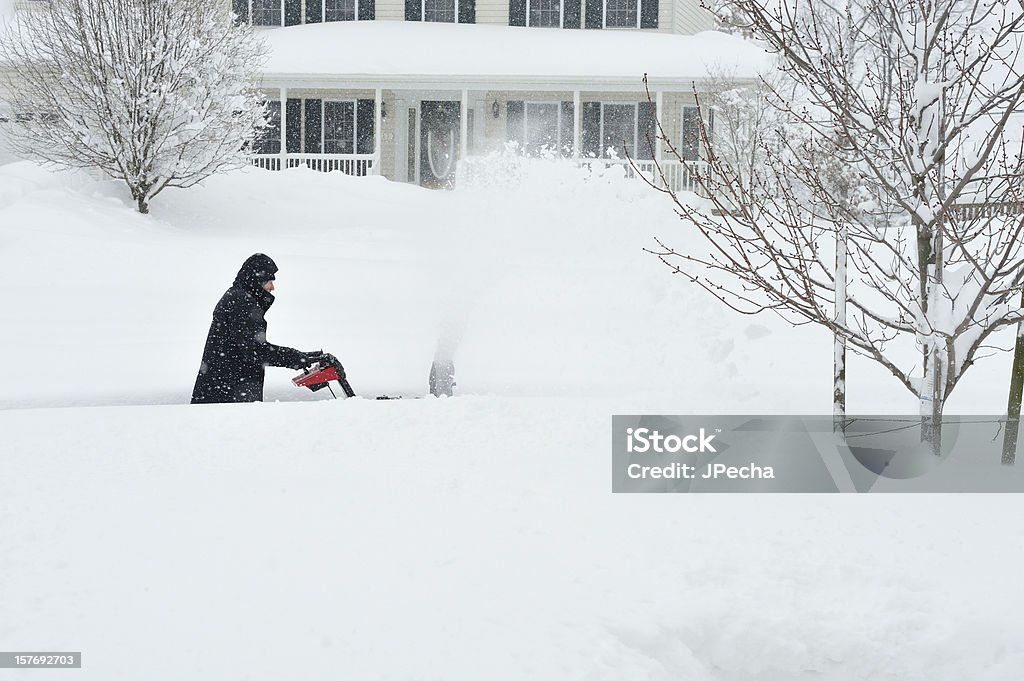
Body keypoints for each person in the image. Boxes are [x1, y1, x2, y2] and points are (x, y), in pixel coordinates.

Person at [191, 253, 338, 404]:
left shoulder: (239, 297)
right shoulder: (241, 301)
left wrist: (300, 356)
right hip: (226, 398)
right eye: (269, 281)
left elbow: (251, 349)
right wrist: (294, 357)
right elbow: (255, 351)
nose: (272, 287)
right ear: (257, 280)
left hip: (225, 392)